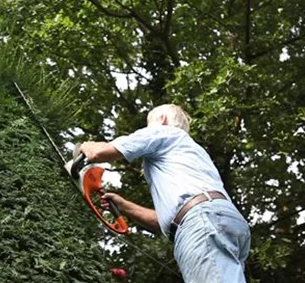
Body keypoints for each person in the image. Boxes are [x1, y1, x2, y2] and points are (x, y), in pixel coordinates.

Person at [80, 104, 251, 283]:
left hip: (202, 222)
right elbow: (167, 221)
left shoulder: (162, 132)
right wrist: (124, 206)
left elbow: (98, 153)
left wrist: (86, 145)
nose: (147, 129)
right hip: (224, 223)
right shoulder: (191, 154)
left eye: (148, 124)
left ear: (162, 119)